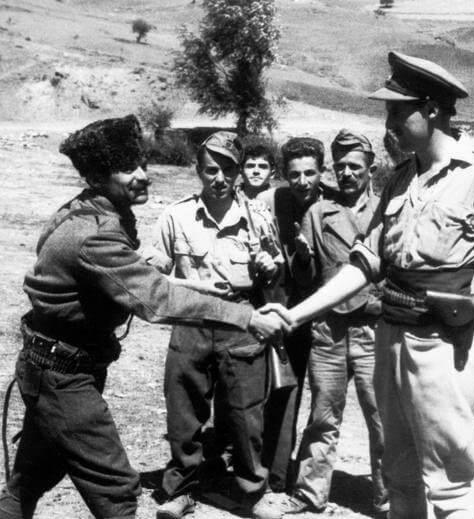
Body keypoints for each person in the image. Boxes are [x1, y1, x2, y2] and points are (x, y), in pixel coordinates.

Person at [262, 52, 474, 519]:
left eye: (397, 112)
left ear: (433, 110)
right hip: (390, 337)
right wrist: (295, 315)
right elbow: (365, 263)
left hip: (444, 343)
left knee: (449, 485)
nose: (390, 124)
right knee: (399, 475)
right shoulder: (402, 177)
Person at [0, 116, 289, 519]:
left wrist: (201, 288)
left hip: (54, 362)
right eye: (127, 168)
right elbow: (156, 300)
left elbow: (130, 273)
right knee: (117, 492)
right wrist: (245, 317)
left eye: (142, 164)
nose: (142, 176)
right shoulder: (96, 232)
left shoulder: (87, 209)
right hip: (62, 376)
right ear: (100, 176)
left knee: (30, 479)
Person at [144, 132, 285, 519]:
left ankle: (252, 492)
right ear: (198, 171)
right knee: (184, 410)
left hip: (241, 322)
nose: (218, 178)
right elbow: (153, 272)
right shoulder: (177, 214)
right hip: (191, 319)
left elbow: (275, 270)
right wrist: (192, 284)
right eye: (210, 169)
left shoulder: (258, 216)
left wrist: (270, 267)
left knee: (245, 413)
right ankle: (182, 490)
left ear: (239, 171)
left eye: (227, 169)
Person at [264, 130, 389, 517]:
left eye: (355, 167)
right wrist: (301, 257)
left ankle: (389, 500)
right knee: (323, 415)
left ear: (371, 169)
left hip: (375, 329)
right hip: (329, 330)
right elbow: (306, 279)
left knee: (381, 418)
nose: (347, 174)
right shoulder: (318, 213)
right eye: (341, 167)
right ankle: (308, 494)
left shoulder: (389, 208)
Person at [260, 137, 324, 492]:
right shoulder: (272, 202)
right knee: (284, 391)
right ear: (284, 174)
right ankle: (276, 476)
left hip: (327, 311)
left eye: (310, 173)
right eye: (295, 174)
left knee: (327, 399)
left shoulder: (332, 202)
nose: (302, 182)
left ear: (321, 172)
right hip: (286, 309)